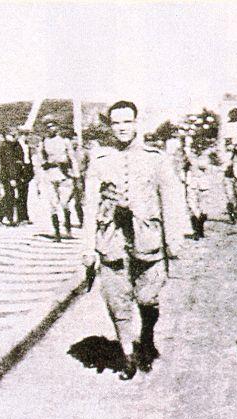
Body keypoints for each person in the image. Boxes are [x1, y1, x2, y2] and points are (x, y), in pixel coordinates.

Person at [81, 100, 190, 380]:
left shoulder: (156, 158)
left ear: (136, 123)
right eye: (116, 123)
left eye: (126, 122)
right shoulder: (100, 161)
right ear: (110, 126)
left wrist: (173, 239)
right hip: (112, 240)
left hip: (148, 238)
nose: (121, 128)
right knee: (117, 299)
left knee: (147, 297)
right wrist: (86, 247)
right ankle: (128, 354)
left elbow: (172, 199)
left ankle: (147, 335)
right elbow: (90, 205)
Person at [39, 121, 78, 241]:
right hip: (50, 175)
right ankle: (57, 233)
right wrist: (44, 164)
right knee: (53, 205)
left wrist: (76, 175)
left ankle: (68, 229)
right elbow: (40, 158)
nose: (51, 129)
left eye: (53, 126)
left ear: (57, 128)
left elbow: (72, 158)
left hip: (64, 174)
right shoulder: (44, 142)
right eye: (48, 127)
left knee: (64, 204)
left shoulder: (64, 141)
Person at [0, 131, 23, 226]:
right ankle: (5, 218)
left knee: (9, 196)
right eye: (11, 135)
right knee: (9, 197)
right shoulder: (7, 147)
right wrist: (12, 178)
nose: (14, 137)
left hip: (12, 175)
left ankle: (3, 217)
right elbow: (9, 163)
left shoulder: (13, 145)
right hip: (8, 176)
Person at [15, 127, 35, 225]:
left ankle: (24, 216)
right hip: (20, 170)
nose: (27, 136)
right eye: (25, 134)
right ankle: (20, 217)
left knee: (24, 194)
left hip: (27, 169)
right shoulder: (16, 145)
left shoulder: (27, 145)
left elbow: (29, 159)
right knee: (20, 194)